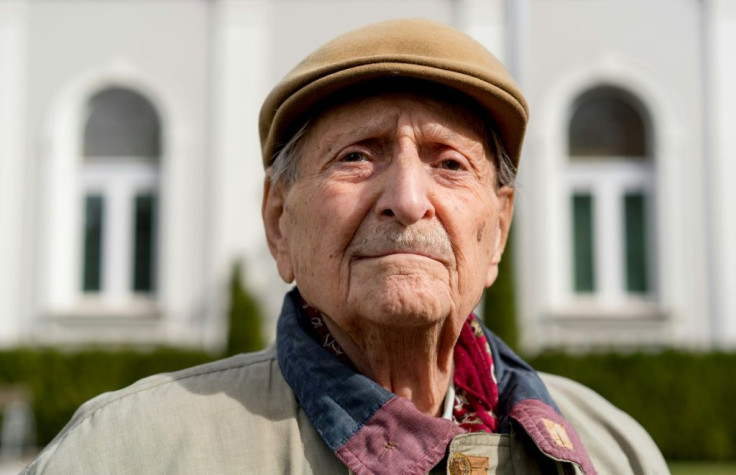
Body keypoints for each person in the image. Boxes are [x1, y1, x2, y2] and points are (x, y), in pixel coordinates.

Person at [25, 18, 668, 474]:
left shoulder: (611, 451)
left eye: (449, 164)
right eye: (357, 156)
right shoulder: (125, 453)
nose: (408, 199)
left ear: (497, 230)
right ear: (280, 223)